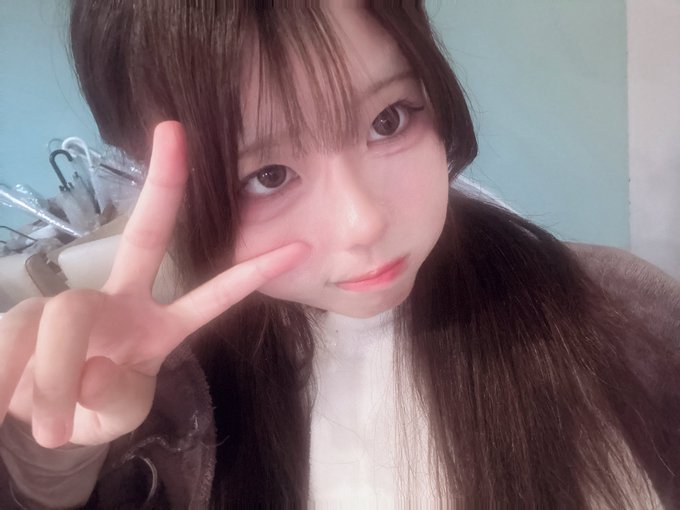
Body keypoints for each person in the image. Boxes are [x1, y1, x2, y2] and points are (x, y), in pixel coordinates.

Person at [1, 2, 679, 508]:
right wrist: (58, 448)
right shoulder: (169, 388)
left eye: (389, 119)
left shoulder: (625, 315)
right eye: (267, 175)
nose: (364, 223)